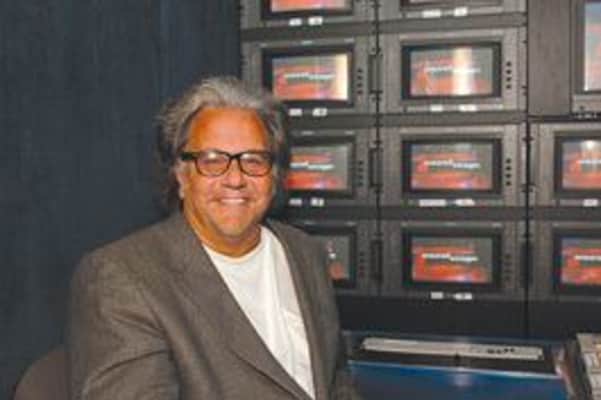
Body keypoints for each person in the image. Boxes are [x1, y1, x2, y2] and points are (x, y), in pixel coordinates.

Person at [67, 76, 361, 400]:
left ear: (274, 176)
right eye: (212, 161)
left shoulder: (304, 252)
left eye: (253, 160)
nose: (235, 179)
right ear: (181, 176)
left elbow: (335, 380)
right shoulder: (121, 277)